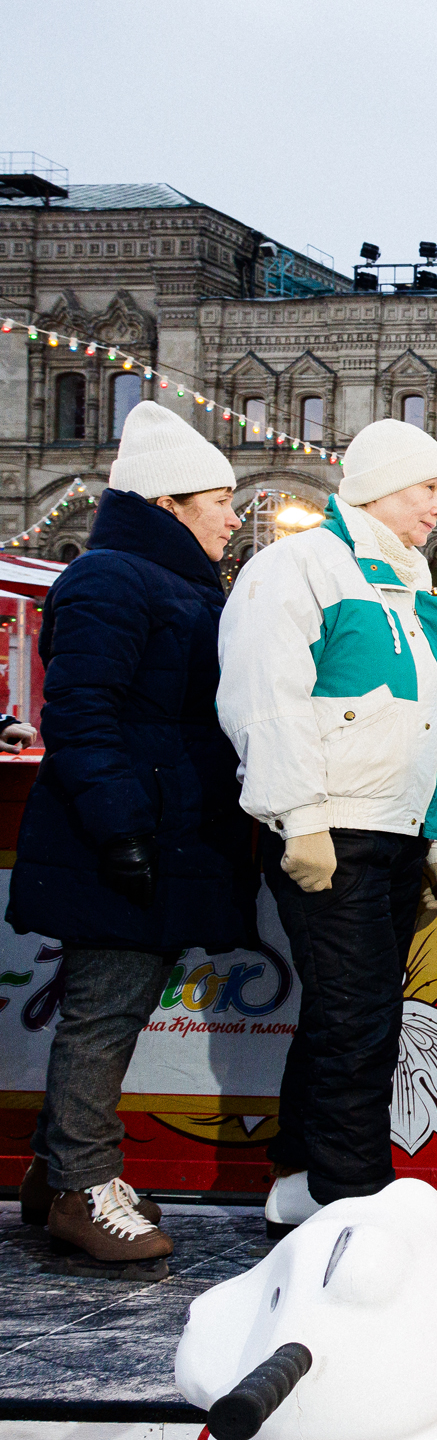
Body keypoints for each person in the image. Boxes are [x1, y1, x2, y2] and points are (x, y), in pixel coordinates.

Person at [9, 403, 250, 1270]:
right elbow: (80, 713)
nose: (234, 516)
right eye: (220, 500)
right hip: (120, 839)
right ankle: (82, 1188)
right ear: (169, 503)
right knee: (104, 1012)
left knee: (117, 1006)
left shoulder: (174, 583)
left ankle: (54, 1171)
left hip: (162, 833)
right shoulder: (111, 578)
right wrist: (121, 830)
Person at [218, 418, 437, 1237]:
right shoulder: (298, 566)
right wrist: (298, 820)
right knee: (358, 1018)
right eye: (429, 486)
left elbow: (434, 720)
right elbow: (267, 699)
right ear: (381, 483)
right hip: (334, 829)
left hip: (392, 830)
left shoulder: (412, 581)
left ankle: (300, 1182)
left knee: (348, 1014)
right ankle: (353, 1201)